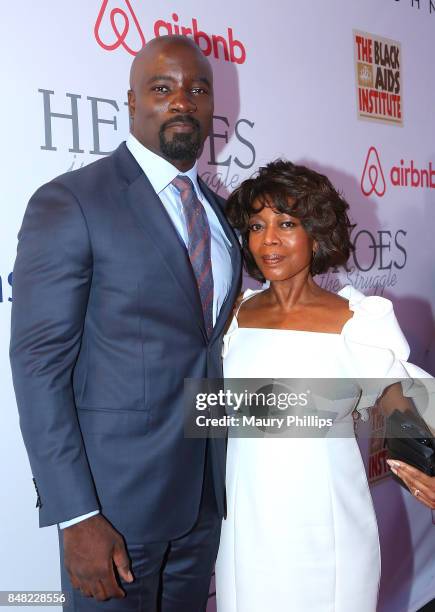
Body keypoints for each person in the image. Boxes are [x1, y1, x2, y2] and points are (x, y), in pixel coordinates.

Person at [9, 35, 241, 611]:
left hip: (203, 501)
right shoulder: (72, 202)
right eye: (162, 88)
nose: (182, 101)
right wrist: (77, 514)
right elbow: (39, 367)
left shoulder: (218, 214)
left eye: (198, 89)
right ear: (132, 102)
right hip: (113, 514)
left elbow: (207, 351)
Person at [214, 160, 435, 612]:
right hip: (243, 526)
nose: (268, 239)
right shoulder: (234, 318)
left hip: (327, 528)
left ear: (316, 234)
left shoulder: (354, 320)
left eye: (287, 223)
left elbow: (397, 392)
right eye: (257, 225)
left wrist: (420, 450)